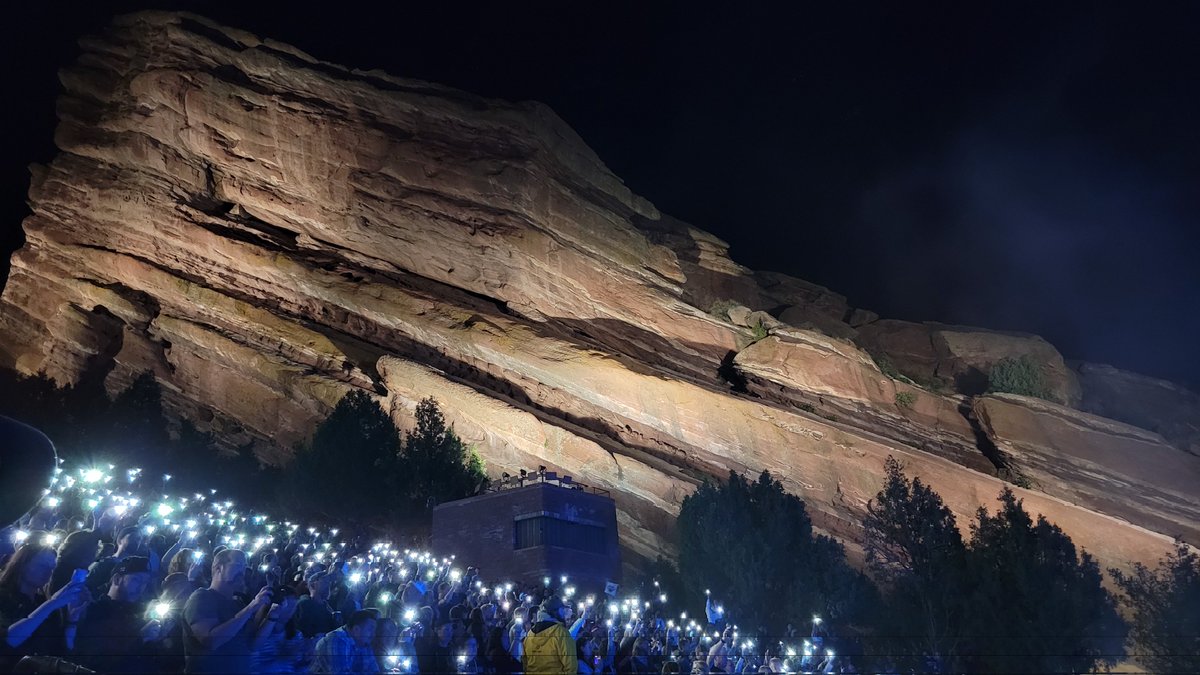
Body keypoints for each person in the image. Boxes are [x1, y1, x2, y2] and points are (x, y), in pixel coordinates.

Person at [0, 540, 90, 670]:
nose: (48, 572)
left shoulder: (42, 602)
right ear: (22, 564)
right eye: (42, 565)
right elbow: (7, 641)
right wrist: (52, 604)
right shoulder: (3, 596)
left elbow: (63, 651)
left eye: (52, 568)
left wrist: (72, 620)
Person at [182, 548, 273, 674]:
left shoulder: (238, 603)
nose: (243, 571)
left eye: (244, 566)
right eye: (238, 565)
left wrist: (272, 615)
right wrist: (250, 608)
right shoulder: (201, 597)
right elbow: (211, 641)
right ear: (218, 568)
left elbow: (253, 645)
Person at [72, 556, 162, 673]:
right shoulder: (96, 611)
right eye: (136, 580)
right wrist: (140, 638)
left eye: (145, 583)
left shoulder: (138, 614)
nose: (141, 588)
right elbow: (98, 660)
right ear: (117, 579)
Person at [312, 609, 380, 674]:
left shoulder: (363, 642)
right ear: (356, 629)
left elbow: (374, 670)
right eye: (370, 629)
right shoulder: (337, 640)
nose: (373, 634)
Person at [523, 595, 576, 675]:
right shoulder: (561, 633)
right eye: (562, 610)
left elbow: (525, 662)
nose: (564, 614)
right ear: (557, 611)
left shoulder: (530, 633)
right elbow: (570, 666)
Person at [86, 527, 142, 596]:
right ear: (120, 540)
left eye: (139, 539)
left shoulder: (133, 570)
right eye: (132, 537)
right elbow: (89, 587)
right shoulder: (104, 563)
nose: (136, 541)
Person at [295, 570, 339, 638]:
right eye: (324, 582)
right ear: (313, 585)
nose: (328, 586)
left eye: (329, 583)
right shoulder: (304, 604)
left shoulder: (328, 607)